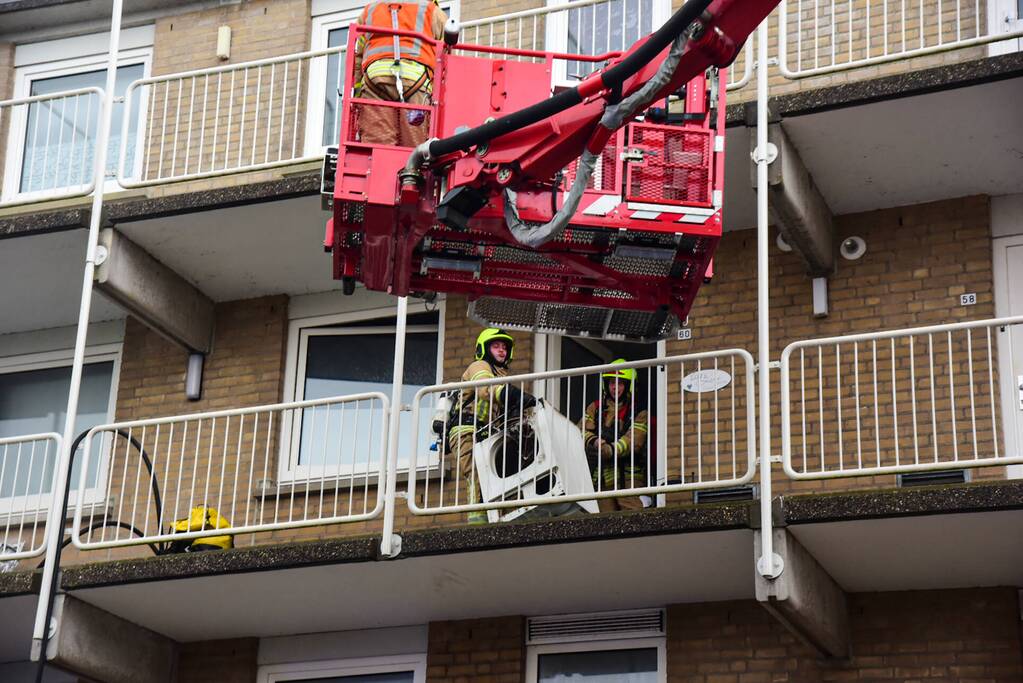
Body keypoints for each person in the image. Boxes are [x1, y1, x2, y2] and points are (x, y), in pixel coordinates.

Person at [448, 328, 532, 524]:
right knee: (476, 474)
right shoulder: (479, 366)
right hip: (466, 431)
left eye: (504, 347)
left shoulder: (501, 376)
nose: (502, 350)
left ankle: (496, 518)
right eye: (496, 346)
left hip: (486, 435)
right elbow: (486, 388)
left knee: (496, 476)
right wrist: (512, 396)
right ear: (484, 349)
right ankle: (477, 523)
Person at [353, 0, 447, 147]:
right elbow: (446, 58)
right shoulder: (432, 11)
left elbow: (357, 56)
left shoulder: (370, 10)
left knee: (379, 147)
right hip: (416, 81)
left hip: (375, 79)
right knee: (413, 149)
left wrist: (358, 95)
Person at [581, 359, 649, 512]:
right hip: (602, 478)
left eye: (620, 383)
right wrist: (594, 441)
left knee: (632, 518)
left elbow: (633, 441)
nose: (615, 387)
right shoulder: (595, 408)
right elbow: (580, 431)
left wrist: (609, 449)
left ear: (628, 385)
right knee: (605, 523)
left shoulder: (639, 412)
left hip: (628, 478)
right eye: (612, 382)